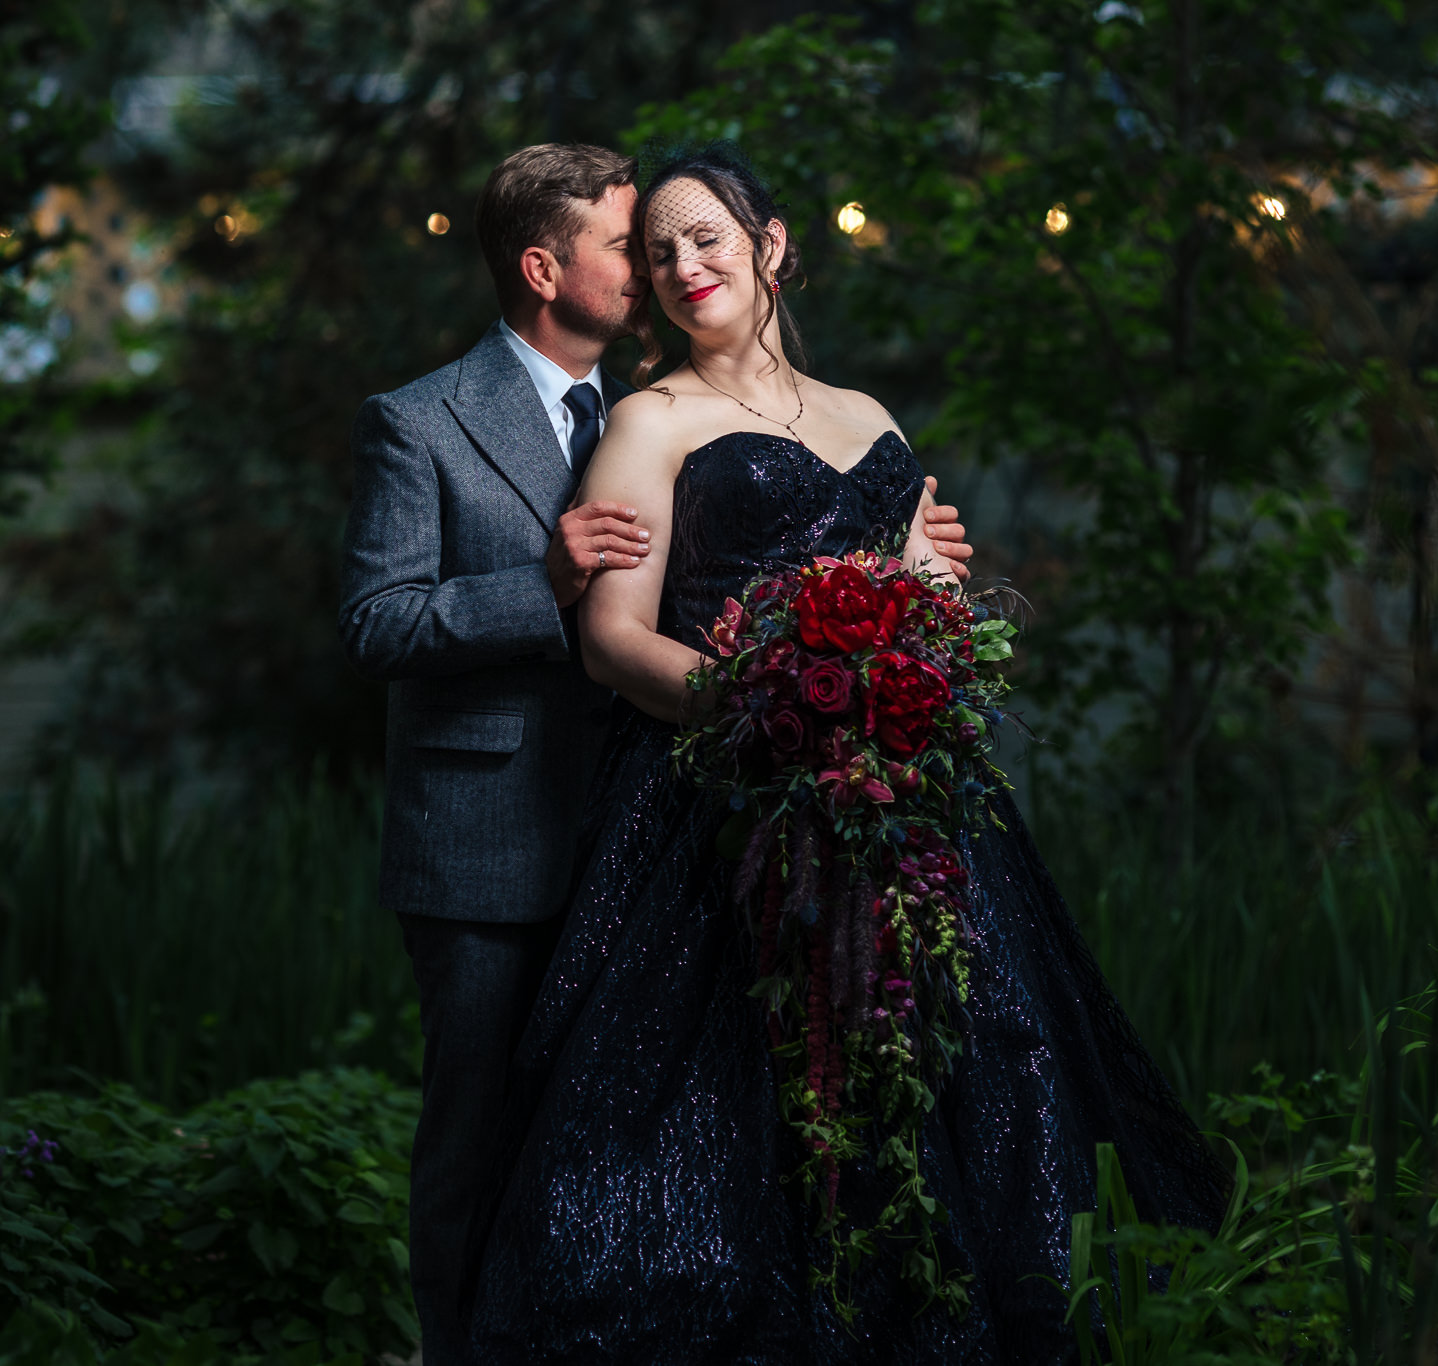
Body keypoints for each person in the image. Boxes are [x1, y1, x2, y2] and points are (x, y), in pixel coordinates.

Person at [462, 144, 1226, 1364]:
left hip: (899, 795)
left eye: (706, 237)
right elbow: (610, 643)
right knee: (737, 1093)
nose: (680, 264)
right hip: (723, 798)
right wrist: (777, 718)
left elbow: (919, 601)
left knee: (958, 1054)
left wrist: (920, 614)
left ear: (771, 247)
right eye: (656, 249)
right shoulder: (649, 421)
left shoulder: (868, 420)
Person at [338, 143, 974, 1365]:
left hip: (657, 824)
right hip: (493, 839)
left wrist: (894, 565)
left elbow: (743, 551)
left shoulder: (662, 400)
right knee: (479, 1135)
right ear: (543, 267)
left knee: (626, 1133)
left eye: (673, 243)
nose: (653, 267)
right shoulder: (420, 420)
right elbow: (376, 622)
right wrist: (540, 586)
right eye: (626, 248)